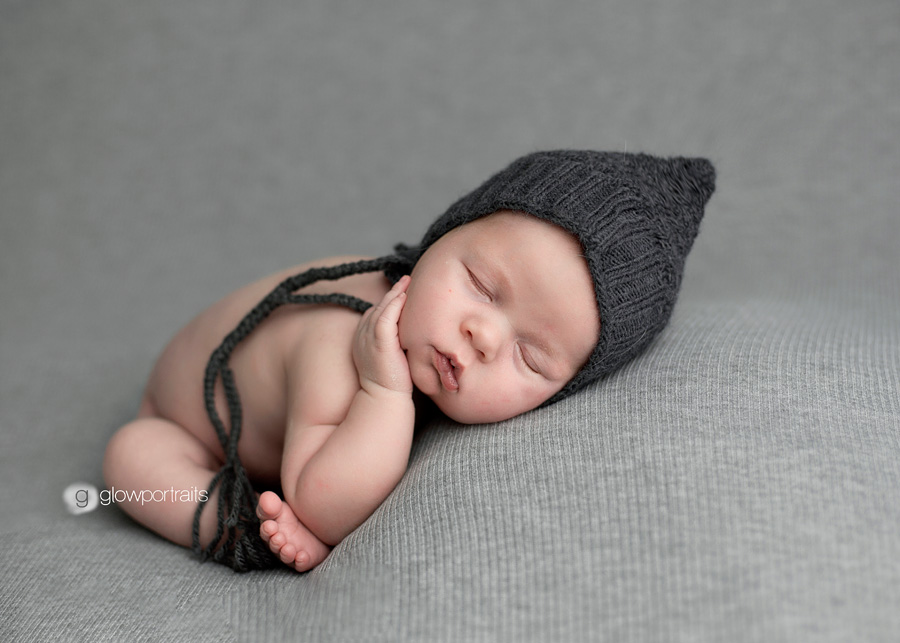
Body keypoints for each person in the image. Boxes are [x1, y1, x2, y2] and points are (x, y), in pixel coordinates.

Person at [103, 150, 716, 572]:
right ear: (440, 237)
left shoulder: (440, 333)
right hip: (183, 421)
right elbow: (318, 503)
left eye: (530, 358)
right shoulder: (343, 339)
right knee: (130, 459)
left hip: (270, 439)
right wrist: (384, 393)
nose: (482, 337)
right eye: (481, 285)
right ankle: (235, 528)